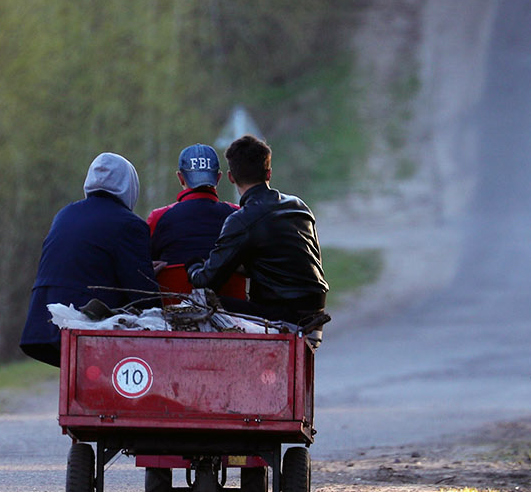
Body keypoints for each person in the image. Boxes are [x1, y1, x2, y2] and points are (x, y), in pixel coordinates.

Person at [19, 152, 158, 366]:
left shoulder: (65, 214)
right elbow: (144, 295)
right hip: (84, 325)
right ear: (130, 186)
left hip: (43, 320)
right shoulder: (129, 224)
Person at [188, 134, 328, 326]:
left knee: (201, 302)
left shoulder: (242, 219)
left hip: (284, 316)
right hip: (316, 309)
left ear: (230, 177)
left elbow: (205, 281)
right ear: (268, 173)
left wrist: (193, 265)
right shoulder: (299, 206)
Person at [146, 143, 237, 269]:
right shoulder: (238, 215)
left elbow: (144, 262)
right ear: (218, 178)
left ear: (181, 178)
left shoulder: (158, 218)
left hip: (172, 288)